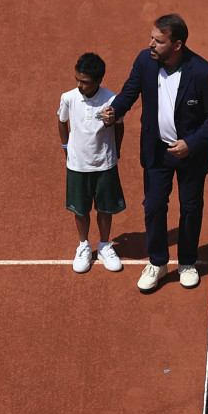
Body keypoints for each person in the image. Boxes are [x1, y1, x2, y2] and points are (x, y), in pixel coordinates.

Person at [101, 14, 208, 293]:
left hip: (190, 155)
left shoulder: (203, 72)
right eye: (152, 38)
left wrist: (190, 143)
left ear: (177, 44)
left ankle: (187, 262)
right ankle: (157, 262)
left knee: (190, 207)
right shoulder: (145, 61)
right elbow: (129, 92)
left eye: (158, 41)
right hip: (157, 151)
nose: (151, 45)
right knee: (154, 205)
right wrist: (115, 110)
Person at [58, 52, 126, 273]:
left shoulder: (112, 100)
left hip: (105, 164)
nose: (79, 85)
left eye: (85, 82)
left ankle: (105, 244)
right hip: (77, 165)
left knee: (105, 208)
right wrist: (66, 148)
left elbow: (119, 126)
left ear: (98, 81)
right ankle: (84, 245)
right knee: (81, 210)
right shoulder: (68, 97)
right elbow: (62, 121)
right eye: (77, 79)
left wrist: (116, 152)